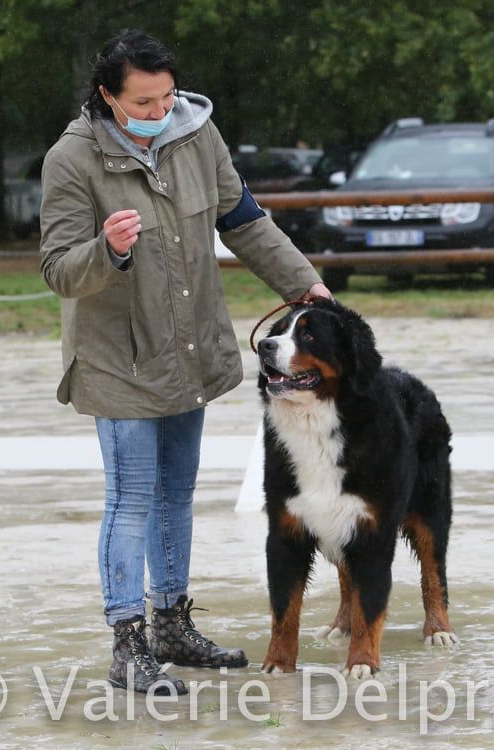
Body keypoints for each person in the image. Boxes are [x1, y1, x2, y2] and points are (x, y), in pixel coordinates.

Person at [40, 28, 331, 695]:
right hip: (116, 360)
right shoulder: (70, 159)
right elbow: (58, 270)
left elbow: (245, 220)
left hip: (189, 348)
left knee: (176, 495)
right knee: (131, 498)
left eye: (166, 96)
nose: (158, 111)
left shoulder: (198, 133)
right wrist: (106, 249)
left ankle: (171, 623)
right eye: (142, 102)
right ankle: (127, 644)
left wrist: (301, 283)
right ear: (108, 98)